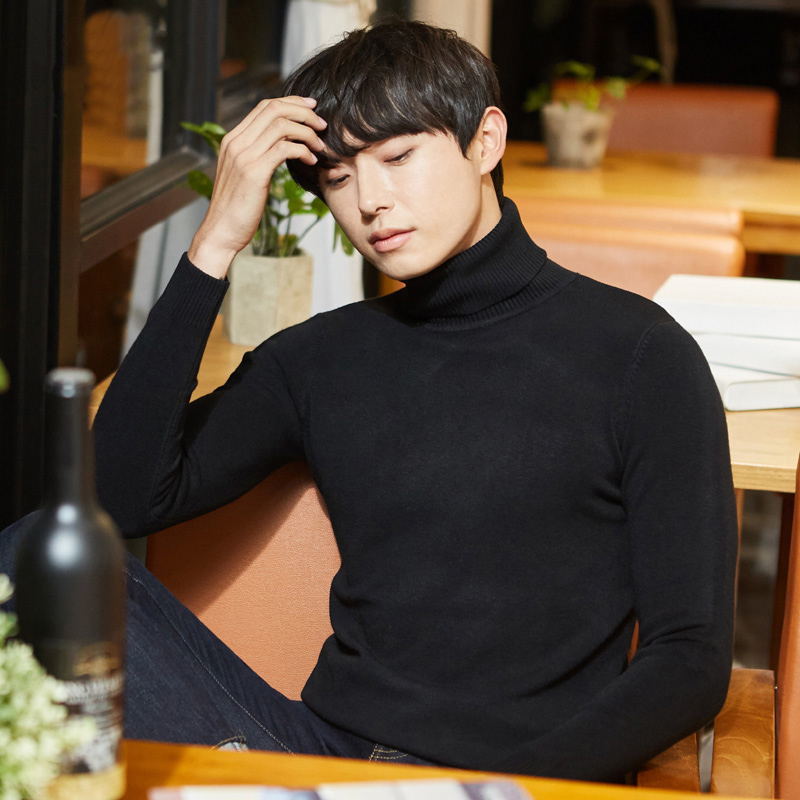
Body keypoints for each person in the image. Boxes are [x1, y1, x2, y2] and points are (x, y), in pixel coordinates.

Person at [1, 19, 737, 783]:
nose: (371, 202)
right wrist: (216, 241)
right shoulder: (320, 357)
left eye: (398, 157)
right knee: (28, 554)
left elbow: (689, 659)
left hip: (516, 778)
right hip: (321, 754)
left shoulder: (640, 354)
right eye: (339, 177)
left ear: (485, 141)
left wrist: (494, 796)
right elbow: (116, 499)